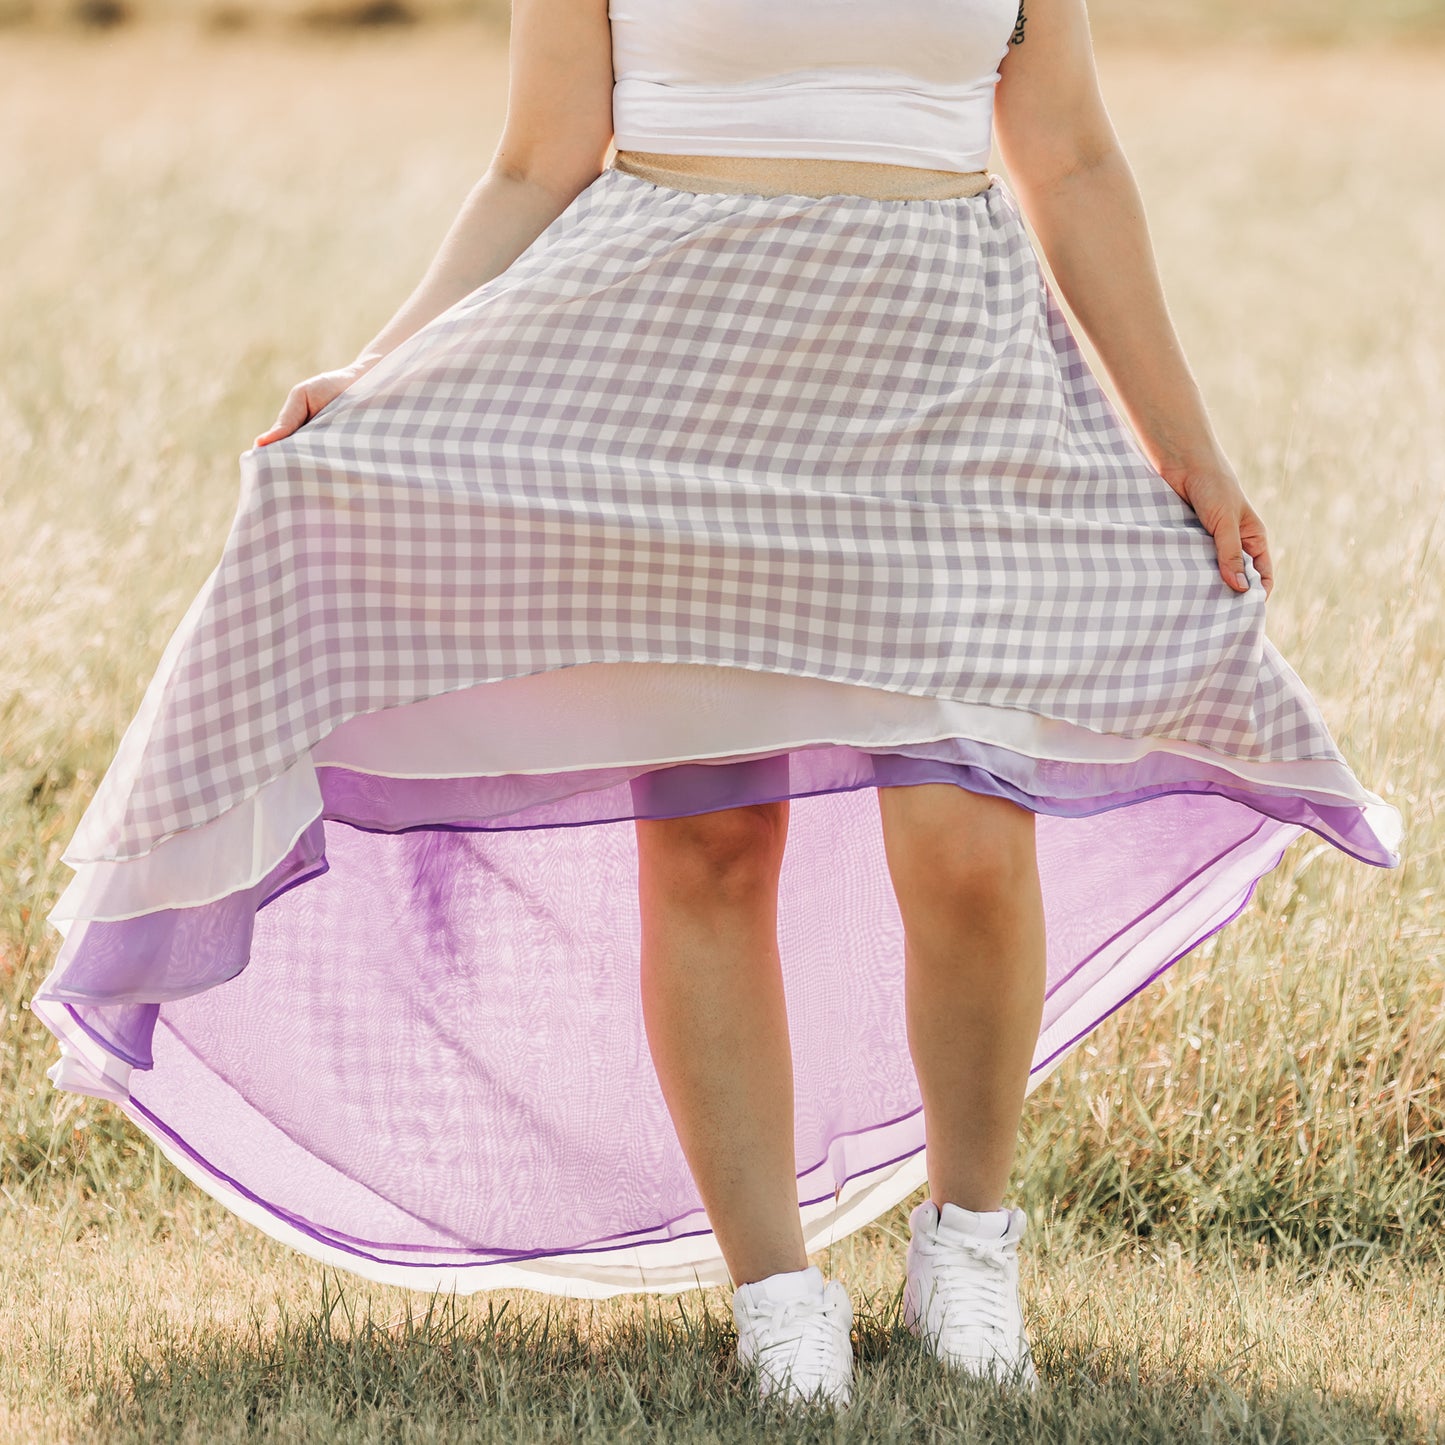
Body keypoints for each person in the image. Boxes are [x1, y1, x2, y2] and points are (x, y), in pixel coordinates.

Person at [33, 0, 1402, 1416]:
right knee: (709, 843)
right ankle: (775, 1288)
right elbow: (535, 160)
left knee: (970, 841)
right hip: (670, 384)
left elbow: (1067, 160)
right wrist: (385, 371)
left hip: (947, 388)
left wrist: (1188, 448)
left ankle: (970, 1245)